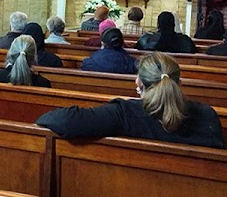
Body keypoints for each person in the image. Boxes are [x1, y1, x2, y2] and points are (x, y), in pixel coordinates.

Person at [37, 52, 224, 148]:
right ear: (180, 83)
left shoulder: (124, 114)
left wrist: (39, 120)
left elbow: (66, 120)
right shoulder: (208, 117)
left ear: (138, 82)